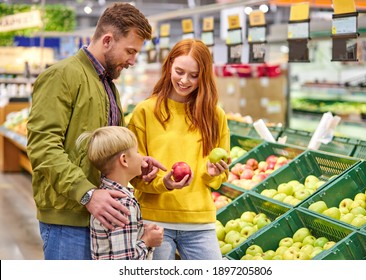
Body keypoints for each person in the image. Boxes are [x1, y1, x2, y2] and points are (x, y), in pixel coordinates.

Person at [26, 2, 166, 260]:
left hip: (99, 218)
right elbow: (43, 147)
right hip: (68, 220)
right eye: (130, 51)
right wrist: (87, 193)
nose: (133, 61)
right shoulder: (62, 76)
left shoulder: (107, 85)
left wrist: (135, 164)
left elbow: (109, 149)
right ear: (108, 40)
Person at [128, 39, 231, 260]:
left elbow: (220, 173)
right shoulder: (145, 112)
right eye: (179, 71)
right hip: (154, 221)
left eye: (194, 75)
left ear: (204, 76)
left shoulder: (215, 116)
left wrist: (211, 173)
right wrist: (162, 182)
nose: (184, 81)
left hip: (199, 221)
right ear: (169, 67)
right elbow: (135, 175)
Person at [76, 126, 164, 260]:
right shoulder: (123, 204)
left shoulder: (105, 195)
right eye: (137, 152)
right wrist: (147, 241)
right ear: (124, 160)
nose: (142, 158)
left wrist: (140, 232)